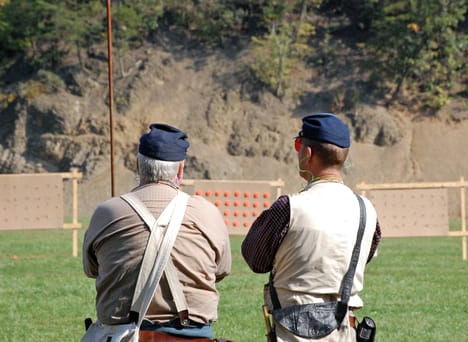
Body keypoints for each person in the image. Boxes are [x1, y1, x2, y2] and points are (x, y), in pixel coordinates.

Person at [83, 123, 232, 340]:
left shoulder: (107, 211)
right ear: (180, 170)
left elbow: (92, 269)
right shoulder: (207, 213)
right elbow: (221, 271)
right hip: (191, 335)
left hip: (121, 335)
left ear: (138, 165)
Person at [242, 113, 381, 342]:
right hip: (345, 327)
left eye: (299, 145)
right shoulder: (367, 210)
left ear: (307, 154)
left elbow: (255, 259)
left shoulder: (288, 207)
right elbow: (364, 256)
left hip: (290, 329)